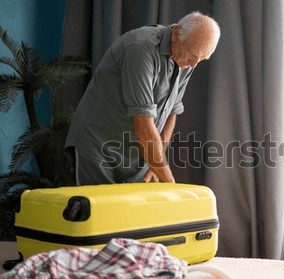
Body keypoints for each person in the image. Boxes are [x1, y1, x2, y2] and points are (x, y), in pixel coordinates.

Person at [65, 12, 220, 185]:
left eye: (202, 59)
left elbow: (171, 112)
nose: (194, 65)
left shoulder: (186, 58)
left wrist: (154, 165)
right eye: (192, 55)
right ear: (176, 33)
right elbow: (143, 125)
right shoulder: (140, 48)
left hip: (135, 155)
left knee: (131, 212)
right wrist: (170, 184)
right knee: (101, 211)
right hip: (97, 149)